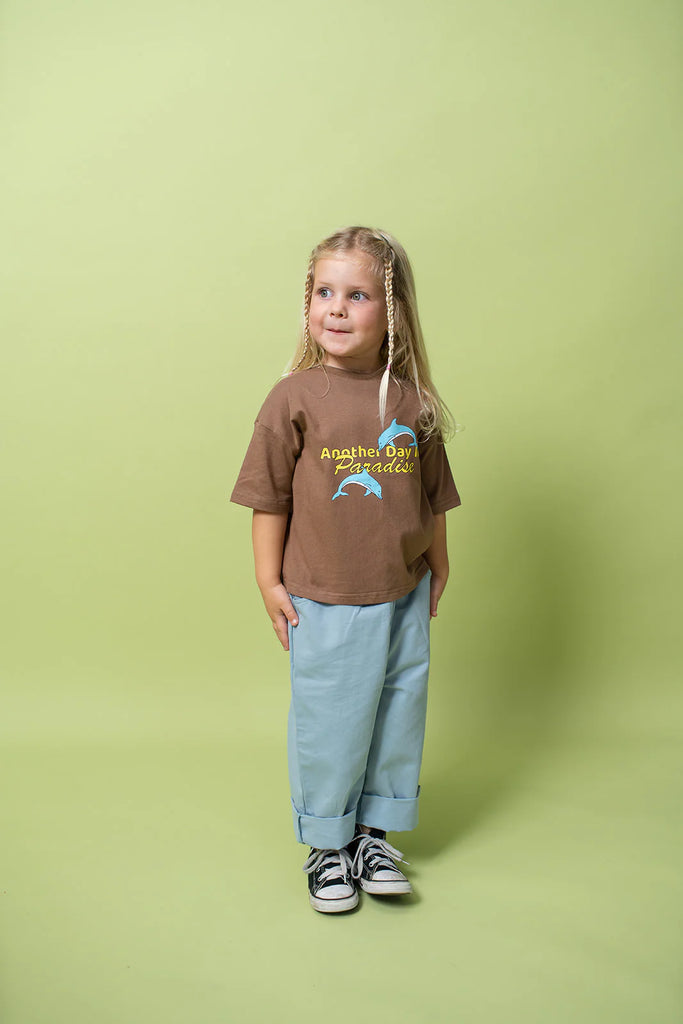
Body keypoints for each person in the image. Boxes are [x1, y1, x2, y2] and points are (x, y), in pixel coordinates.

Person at [230, 225, 462, 913]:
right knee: (332, 720)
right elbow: (268, 499)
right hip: (325, 595)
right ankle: (327, 846)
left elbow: (431, 497)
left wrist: (438, 563)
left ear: (392, 311)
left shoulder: (412, 403)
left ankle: (371, 836)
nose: (335, 308)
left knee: (397, 712)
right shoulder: (293, 399)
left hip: (403, 590)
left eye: (356, 295)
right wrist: (269, 582)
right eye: (323, 292)